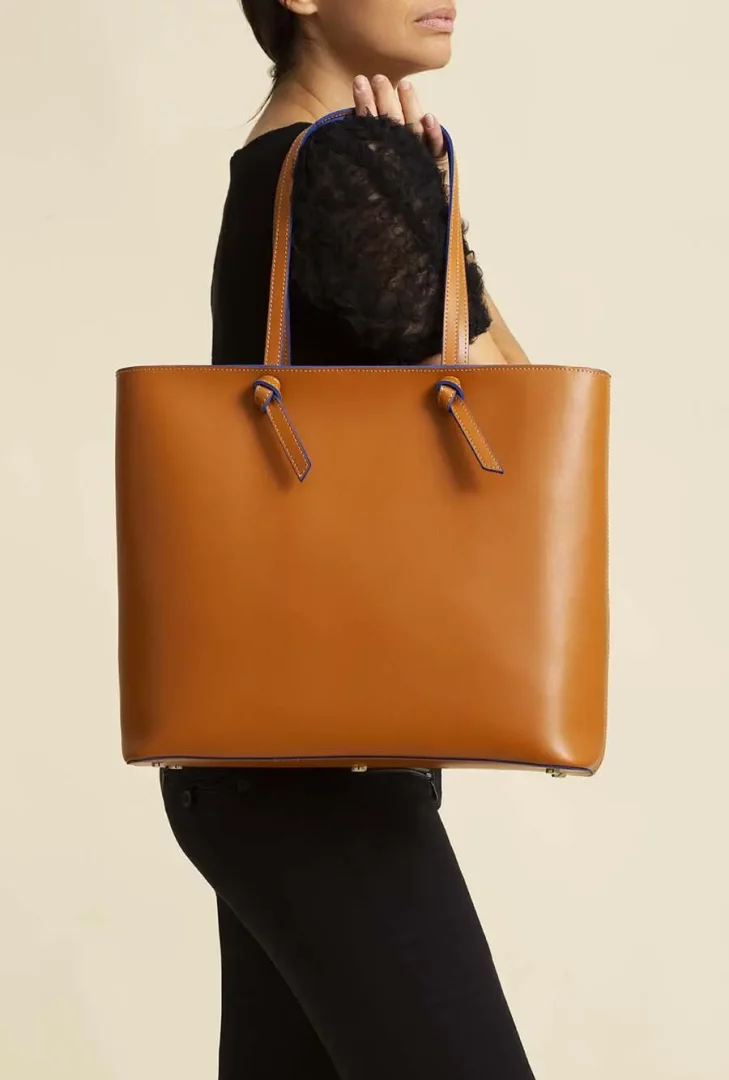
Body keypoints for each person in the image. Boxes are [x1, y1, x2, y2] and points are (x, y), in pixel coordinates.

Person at [161, 1, 536, 1077]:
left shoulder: (285, 166)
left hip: (268, 762)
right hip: (319, 782)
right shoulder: (334, 173)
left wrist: (440, 230)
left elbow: (496, 392)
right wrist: (431, 218)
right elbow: (523, 433)